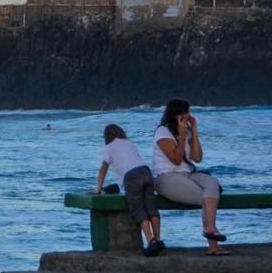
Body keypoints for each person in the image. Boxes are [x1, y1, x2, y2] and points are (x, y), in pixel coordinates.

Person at [153, 98, 229, 256]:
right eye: (186, 112)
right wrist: (180, 136)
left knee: (212, 184)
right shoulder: (162, 132)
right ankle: (213, 241)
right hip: (166, 177)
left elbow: (197, 157)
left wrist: (193, 132)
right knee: (205, 197)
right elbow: (175, 158)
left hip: (188, 174)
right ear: (177, 115)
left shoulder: (187, 131)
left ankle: (210, 231)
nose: (189, 115)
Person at [94, 124, 164, 256]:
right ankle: (158, 239)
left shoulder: (109, 147)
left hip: (131, 177)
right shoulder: (129, 143)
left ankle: (151, 241)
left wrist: (98, 189)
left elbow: (103, 168)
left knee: (139, 209)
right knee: (151, 208)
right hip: (145, 171)